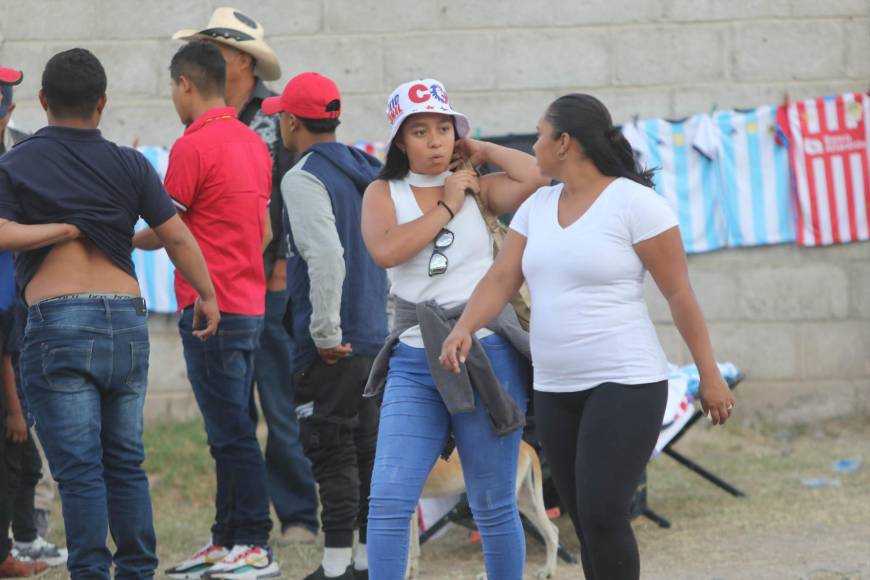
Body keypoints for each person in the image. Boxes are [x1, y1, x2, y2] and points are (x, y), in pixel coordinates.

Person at [440, 94, 736, 580]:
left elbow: (680, 294)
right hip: (555, 387)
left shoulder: (636, 204)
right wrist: (463, 328)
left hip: (625, 382)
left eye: (540, 134)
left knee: (603, 511)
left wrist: (710, 375)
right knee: (585, 516)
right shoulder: (539, 205)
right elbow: (500, 280)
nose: (533, 143)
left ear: (565, 143)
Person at [0, 49, 220, 579]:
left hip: (59, 323)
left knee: (79, 472)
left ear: (44, 100)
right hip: (125, 319)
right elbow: (176, 235)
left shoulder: (16, 161)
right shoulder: (130, 162)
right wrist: (208, 294)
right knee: (125, 463)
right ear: (102, 104)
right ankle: (138, 571)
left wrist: (59, 229)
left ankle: (93, 574)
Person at [361, 78, 549, 580]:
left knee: (492, 505)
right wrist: (446, 204)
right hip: (413, 358)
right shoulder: (384, 191)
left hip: (487, 355)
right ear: (400, 140)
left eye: (444, 128)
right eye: (420, 131)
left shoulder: (477, 185)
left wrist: (482, 149)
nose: (434, 140)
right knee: (388, 500)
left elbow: (537, 177)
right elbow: (385, 251)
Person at [134, 41, 278, 579]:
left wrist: (119, 236)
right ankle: (227, 539)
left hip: (208, 308)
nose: (173, 97)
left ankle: (255, 545)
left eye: (173, 87)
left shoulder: (192, 146)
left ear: (185, 84)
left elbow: (169, 231)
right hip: (250, 304)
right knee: (231, 429)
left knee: (231, 434)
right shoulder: (253, 142)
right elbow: (263, 231)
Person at [173, 8, 318, 542]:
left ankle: (298, 514)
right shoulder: (202, 117)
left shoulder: (272, 117)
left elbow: (290, 196)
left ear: (239, 59)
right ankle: (239, 522)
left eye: (213, 46)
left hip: (268, 282)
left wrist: (281, 264)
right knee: (235, 411)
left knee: (278, 402)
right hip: (222, 286)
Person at [261, 72, 386, 580]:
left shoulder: (302, 175)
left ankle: (335, 569)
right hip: (375, 335)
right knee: (365, 451)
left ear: (292, 121)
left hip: (335, 342)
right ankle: (365, 561)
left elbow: (325, 256)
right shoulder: (367, 169)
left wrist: (325, 331)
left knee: (330, 449)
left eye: (279, 119)